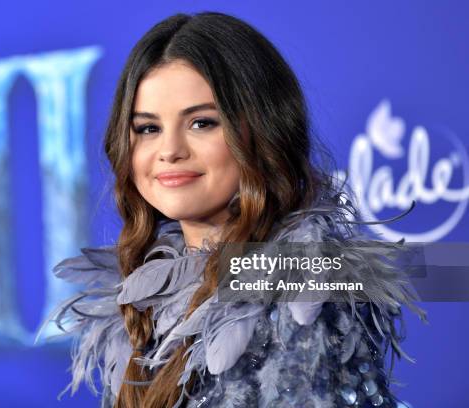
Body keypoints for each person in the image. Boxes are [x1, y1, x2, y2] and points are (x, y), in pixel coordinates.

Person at [40, 12, 426, 408]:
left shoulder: (307, 285)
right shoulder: (148, 295)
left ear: (262, 130)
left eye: (202, 123)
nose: (169, 150)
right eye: (148, 128)